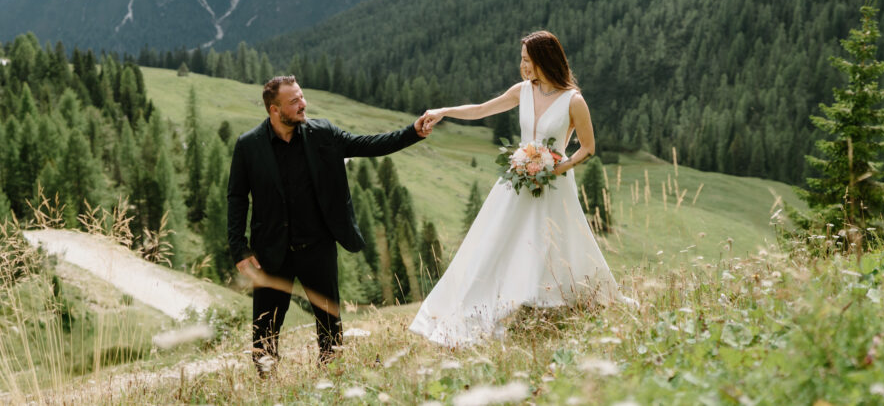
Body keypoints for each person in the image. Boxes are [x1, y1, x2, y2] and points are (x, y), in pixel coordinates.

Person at [409, 31, 635, 347]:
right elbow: (481, 109)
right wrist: (444, 112)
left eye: (527, 60)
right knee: (498, 241)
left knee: (553, 242)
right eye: (522, 59)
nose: (522, 66)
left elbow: (588, 147)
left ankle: (551, 303)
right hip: (518, 181)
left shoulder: (574, 101)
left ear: (544, 60)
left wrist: (556, 168)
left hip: (554, 184)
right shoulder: (522, 91)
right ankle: (496, 304)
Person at [227, 75, 432, 372]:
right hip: (271, 253)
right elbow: (236, 198)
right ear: (274, 109)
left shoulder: (322, 133)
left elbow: (367, 145)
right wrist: (239, 250)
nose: (303, 104)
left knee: (329, 327)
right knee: (265, 332)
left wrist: (412, 132)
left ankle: (332, 381)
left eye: (302, 96)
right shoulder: (248, 145)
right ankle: (266, 387)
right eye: (294, 101)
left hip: (317, 249)